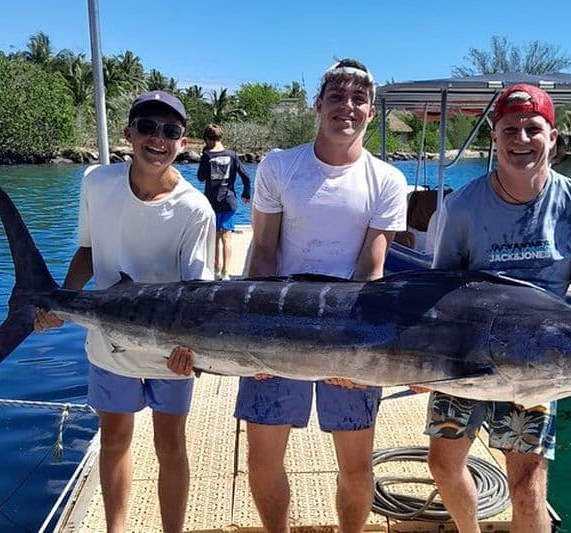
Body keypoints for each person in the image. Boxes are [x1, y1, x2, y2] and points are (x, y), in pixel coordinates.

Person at [425, 84, 571, 533]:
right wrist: (418, 366)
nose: (522, 139)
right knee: (444, 466)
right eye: (510, 129)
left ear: (553, 137)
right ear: (495, 137)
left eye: (534, 129)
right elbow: (435, 300)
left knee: (528, 490)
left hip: (538, 368)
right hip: (463, 359)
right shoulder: (462, 207)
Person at [236, 59, 407, 532]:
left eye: (358, 99)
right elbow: (263, 255)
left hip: (350, 329)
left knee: (355, 466)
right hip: (276, 324)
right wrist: (254, 341)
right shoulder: (279, 167)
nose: (346, 107)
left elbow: (370, 269)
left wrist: (355, 358)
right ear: (318, 105)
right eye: (336, 97)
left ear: (371, 111)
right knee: (262, 459)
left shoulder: (387, 181)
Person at [34, 90, 216, 533]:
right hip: (108, 344)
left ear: (184, 142)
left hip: (171, 353)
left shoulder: (195, 209)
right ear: (128, 133)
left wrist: (196, 353)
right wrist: (57, 300)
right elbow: (86, 250)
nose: (158, 139)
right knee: (115, 439)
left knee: (170, 444)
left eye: (170, 131)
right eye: (148, 127)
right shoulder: (97, 181)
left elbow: (199, 296)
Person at [197, 123, 251, 280]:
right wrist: (246, 192)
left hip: (212, 202)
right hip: (229, 200)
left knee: (214, 238)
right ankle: (226, 272)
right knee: (226, 237)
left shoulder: (207, 156)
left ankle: (216, 268)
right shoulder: (232, 155)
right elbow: (246, 176)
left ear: (207, 139)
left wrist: (203, 157)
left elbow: (200, 177)